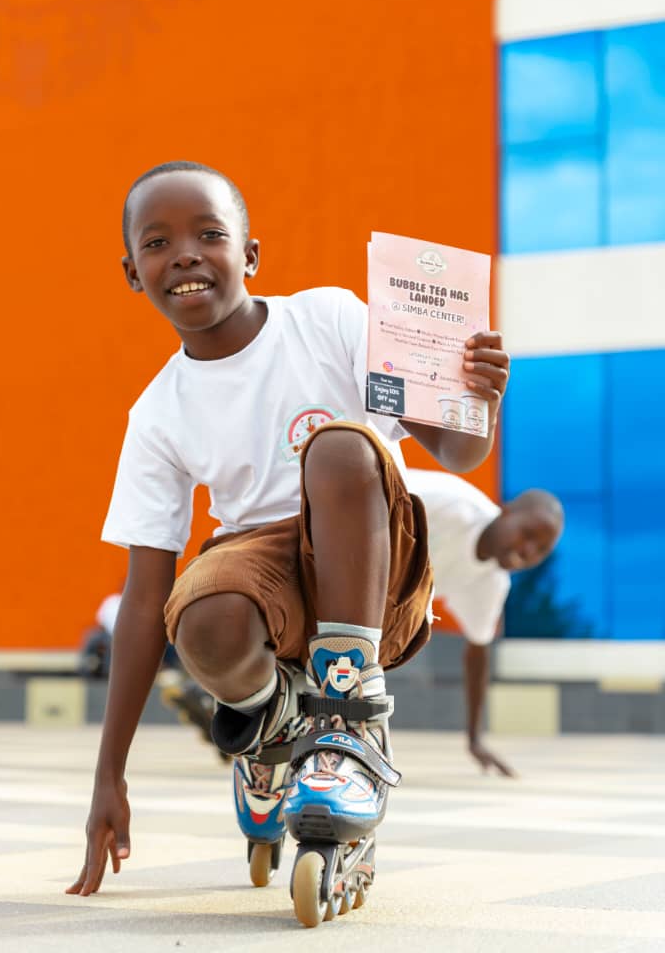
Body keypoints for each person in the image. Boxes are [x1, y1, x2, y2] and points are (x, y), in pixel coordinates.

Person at [66, 160, 509, 921]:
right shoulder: (158, 413)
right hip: (263, 574)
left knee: (335, 449)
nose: (185, 254)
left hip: (373, 563)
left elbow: (458, 452)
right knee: (199, 613)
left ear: (250, 255)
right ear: (133, 273)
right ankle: (269, 730)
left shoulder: (327, 320)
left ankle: (346, 728)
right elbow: (142, 600)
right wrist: (109, 773)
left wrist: (477, 397)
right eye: (158, 242)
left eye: (210, 234)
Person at [403, 469, 564, 777]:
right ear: (505, 511)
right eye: (528, 534)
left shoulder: (491, 584)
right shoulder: (449, 502)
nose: (528, 551)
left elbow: (477, 651)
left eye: (541, 550)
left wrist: (475, 739)